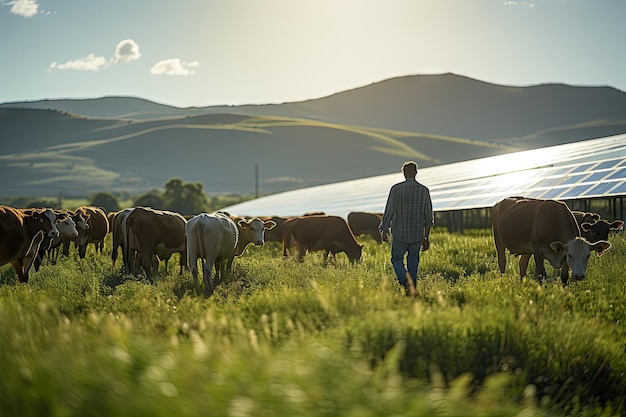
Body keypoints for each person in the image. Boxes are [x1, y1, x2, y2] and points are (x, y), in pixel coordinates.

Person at [378, 161, 434, 296]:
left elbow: (389, 210)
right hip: (417, 234)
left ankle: (404, 280)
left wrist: (384, 229)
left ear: (403, 173)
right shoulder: (424, 190)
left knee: (396, 259)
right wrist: (426, 237)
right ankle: (412, 289)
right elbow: (429, 216)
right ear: (416, 172)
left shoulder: (396, 189)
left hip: (399, 233)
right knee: (413, 262)